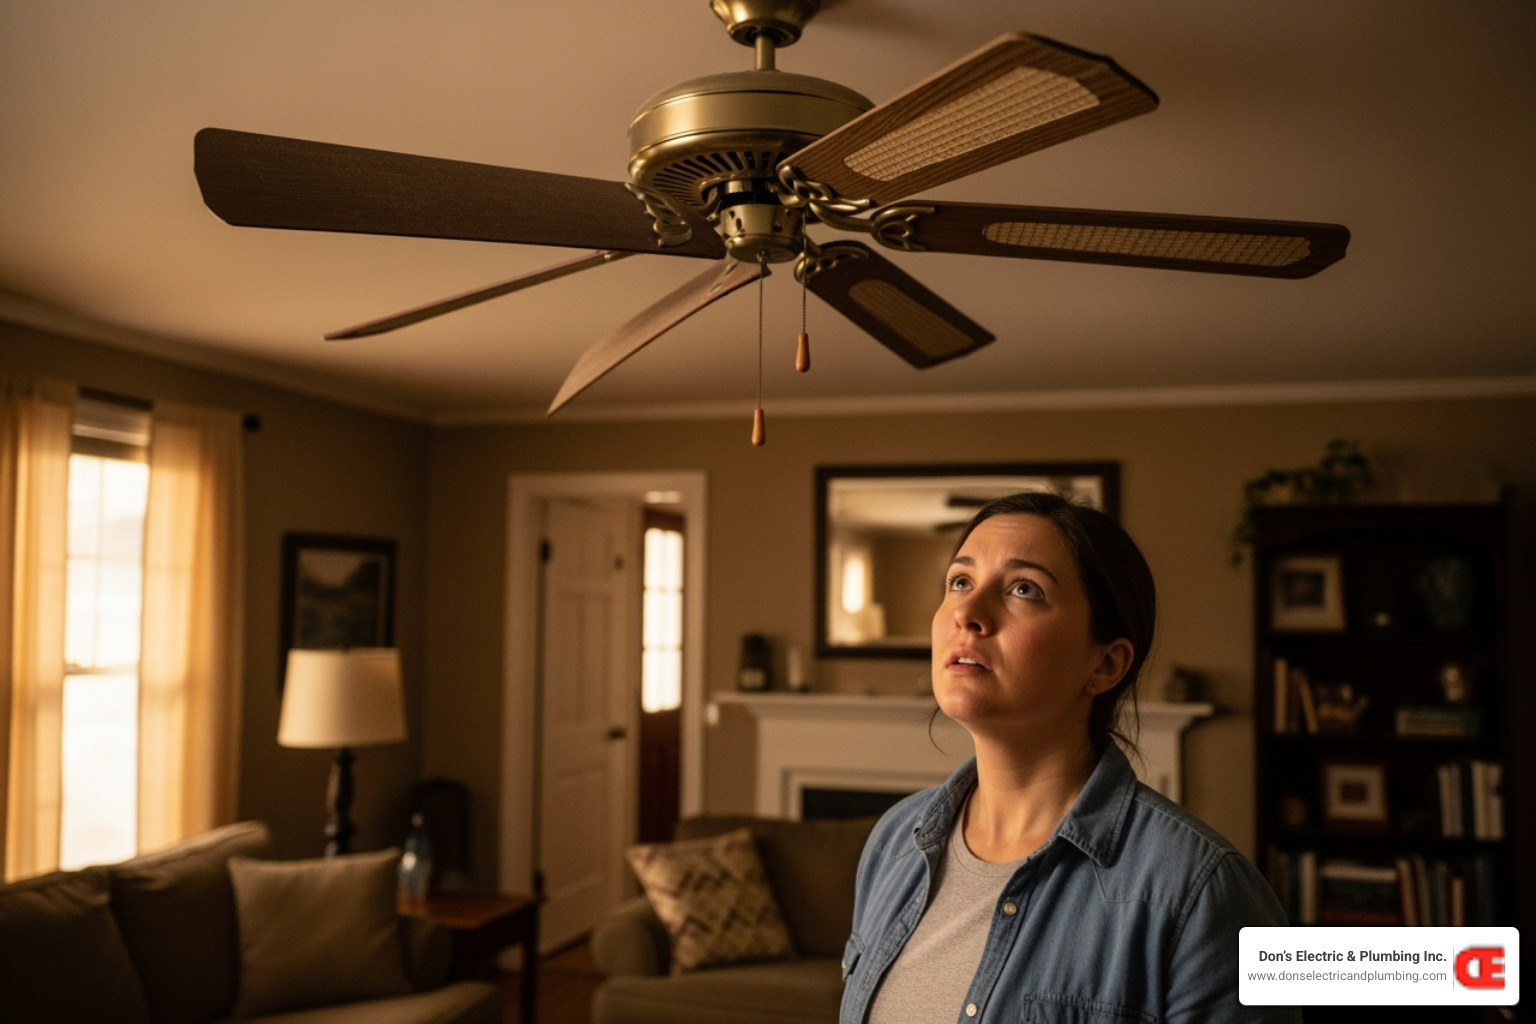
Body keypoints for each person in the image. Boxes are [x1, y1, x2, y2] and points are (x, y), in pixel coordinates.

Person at [840, 492, 1297, 1024]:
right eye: (960, 581)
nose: (967, 612)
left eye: (1024, 589)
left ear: (1105, 664)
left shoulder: (1199, 891)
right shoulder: (894, 842)